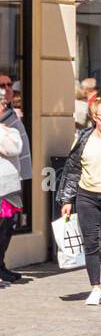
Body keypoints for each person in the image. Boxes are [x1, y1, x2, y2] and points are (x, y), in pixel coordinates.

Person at [57, 96, 101, 302]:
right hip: (86, 196)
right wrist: (67, 200)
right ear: (94, 117)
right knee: (91, 244)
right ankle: (95, 288)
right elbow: (72, 170)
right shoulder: (83, 138)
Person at [0, 70, 30, 286]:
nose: (8, 89)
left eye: (10, 85)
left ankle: (1, 266)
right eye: (3, 85)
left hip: (13, 178)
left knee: (8, 226)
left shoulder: (11, 113)